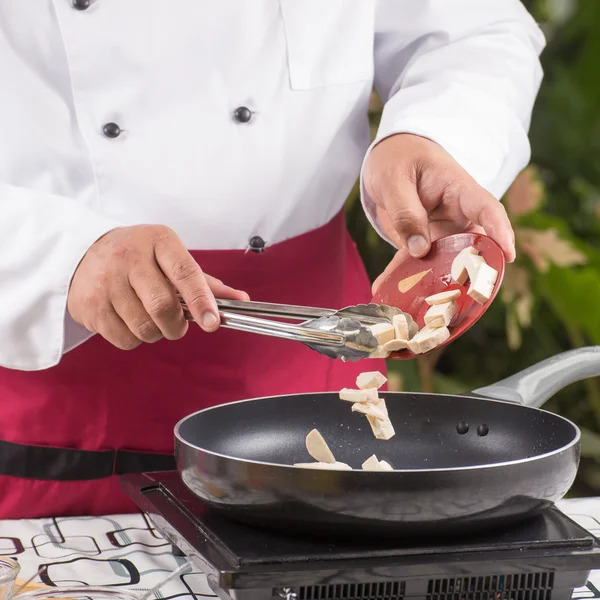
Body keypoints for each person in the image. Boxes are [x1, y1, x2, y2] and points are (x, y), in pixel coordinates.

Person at [0, 1, 544, 519]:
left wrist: (432, 137)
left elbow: (475, 28)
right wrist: (57, 254)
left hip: (320, 368)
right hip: (57, 386)